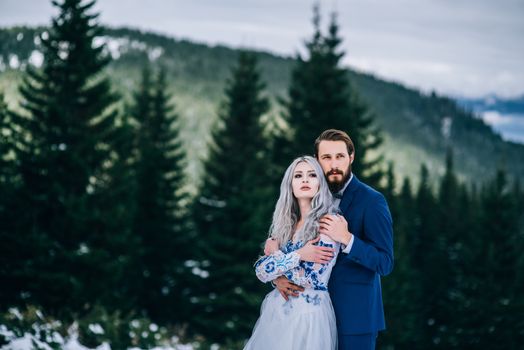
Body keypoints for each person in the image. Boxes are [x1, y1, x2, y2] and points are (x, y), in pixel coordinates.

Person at [272, 129, 394, 350]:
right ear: (318, 161)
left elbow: (385, 262)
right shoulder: (307, 194)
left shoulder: (372, 201)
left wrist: (348, 240)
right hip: (308, 317)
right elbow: (289, 242)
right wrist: (279, 277)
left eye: (340, 156)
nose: (334, 164)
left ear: (351, 157)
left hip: (355, 319)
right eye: (326, 158)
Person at [244, 156, 341, 350]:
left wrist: (278, 258)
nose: (305, 180)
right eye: (298, 176)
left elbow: (311, 278)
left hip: (309, 314)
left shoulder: (330, 222)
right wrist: (293, 260)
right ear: (290, 184)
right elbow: (261, 271)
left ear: (320, 183)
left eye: (312, 175)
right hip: (277, 312)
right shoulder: (284, 226)